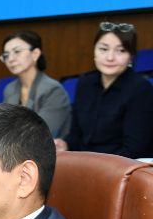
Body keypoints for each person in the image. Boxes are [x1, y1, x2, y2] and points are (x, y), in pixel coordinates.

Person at [56, 21, 153, 159]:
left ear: (131, 56)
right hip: (86, 163)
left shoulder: (141, 89)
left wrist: (94, 166)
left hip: (122, 166)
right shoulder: (85, 83)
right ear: (94, 51)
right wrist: (66, 145)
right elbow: (77, 135)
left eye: (121, 51)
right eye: (103, 49)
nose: (110, 57)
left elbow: (135, 149)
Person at [0, 30, 71, 137]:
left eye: (17, 51)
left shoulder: (53, 90)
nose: (11, 59)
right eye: (6, 55)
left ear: (35, 54)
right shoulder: (9, 89)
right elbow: (3, 127)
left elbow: (40, 133)